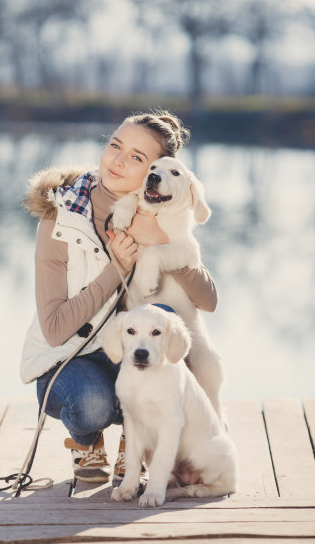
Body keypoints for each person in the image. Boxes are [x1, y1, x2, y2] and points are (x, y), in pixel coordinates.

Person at [20, 110, 217, 484]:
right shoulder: (60, 217)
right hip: (66, 359)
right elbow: (55, 330)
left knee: (164, 319)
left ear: (155, 172)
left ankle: (136, 440)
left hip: (130, 357)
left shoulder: (161, 214)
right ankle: (86, 441)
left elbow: (208, 300)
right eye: (115, 145)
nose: (118, 160)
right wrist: (117, 269)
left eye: (138, 158)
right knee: (94, 404)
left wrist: (159, 239)